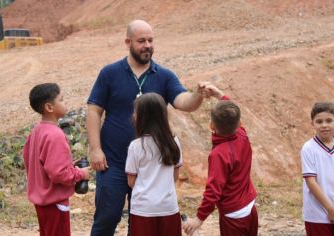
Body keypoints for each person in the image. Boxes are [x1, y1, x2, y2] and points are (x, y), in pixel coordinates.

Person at [86, 19, 214, 235]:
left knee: (138, 224)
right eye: (141, 41)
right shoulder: (110, 73)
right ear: (128, 42)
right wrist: (96, 149)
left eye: (151, 40)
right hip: (113, 162)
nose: (147, 45)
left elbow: (183, 101)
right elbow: (94, 110)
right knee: (106, 218)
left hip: (149, 169)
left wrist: (197, 95)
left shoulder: (164, 75)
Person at [183, 88, 258, 236]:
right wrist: (219, 95)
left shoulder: (218, 154)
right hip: (250, 208)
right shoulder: (242, 136)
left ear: (212, 126)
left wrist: (199, 219)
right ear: (239, 123)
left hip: (233, 216)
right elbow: (233, 113)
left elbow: (213, 191)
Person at [23, 83, 90, 236]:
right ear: (49, 107)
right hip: (55, 204)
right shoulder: (55, 135)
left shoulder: (36, 131)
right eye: (62, 99)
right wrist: (81, 174)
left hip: (42, 202)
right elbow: (59, 174)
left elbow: (32, 161)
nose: (65, 102)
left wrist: (70, 166)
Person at [125, 92, 183, 236]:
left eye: (135, 111)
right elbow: (175, 175)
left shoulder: (136, 146)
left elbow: (131, 181)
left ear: (142, 117)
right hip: (168, 206)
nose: (133, 115)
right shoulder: (174, 141)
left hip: (143, 209)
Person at [301, 102, 334, 236]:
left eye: (329, 120)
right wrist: (331, 209)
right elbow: (311, 182)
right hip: (317, 214)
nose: (324, 125)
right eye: (319, 121)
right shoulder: (308, 148)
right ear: (312, 123)